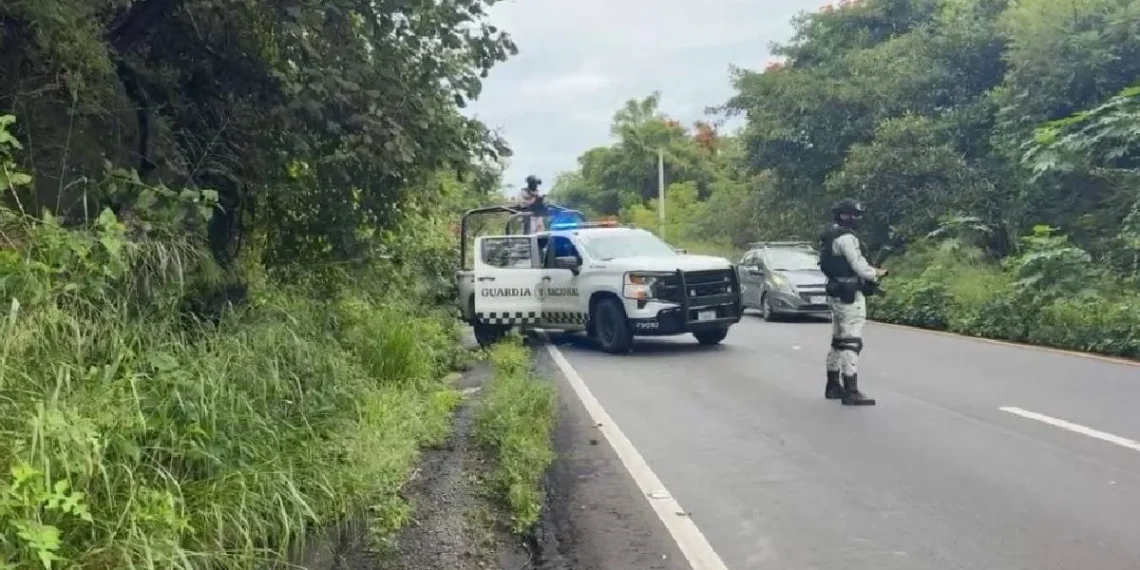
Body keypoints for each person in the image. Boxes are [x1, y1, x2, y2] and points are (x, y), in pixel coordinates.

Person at [817, 198, 886, 406]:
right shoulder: (847, 238)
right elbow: (858, 265)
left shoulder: (829, 234)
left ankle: (833, 385)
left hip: (836, 292)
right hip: (850, 294)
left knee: (838, 340)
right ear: (844, 215)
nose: (856, 218)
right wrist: (876, 273)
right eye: (853, 214)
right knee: (852, 341)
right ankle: (851, 390)